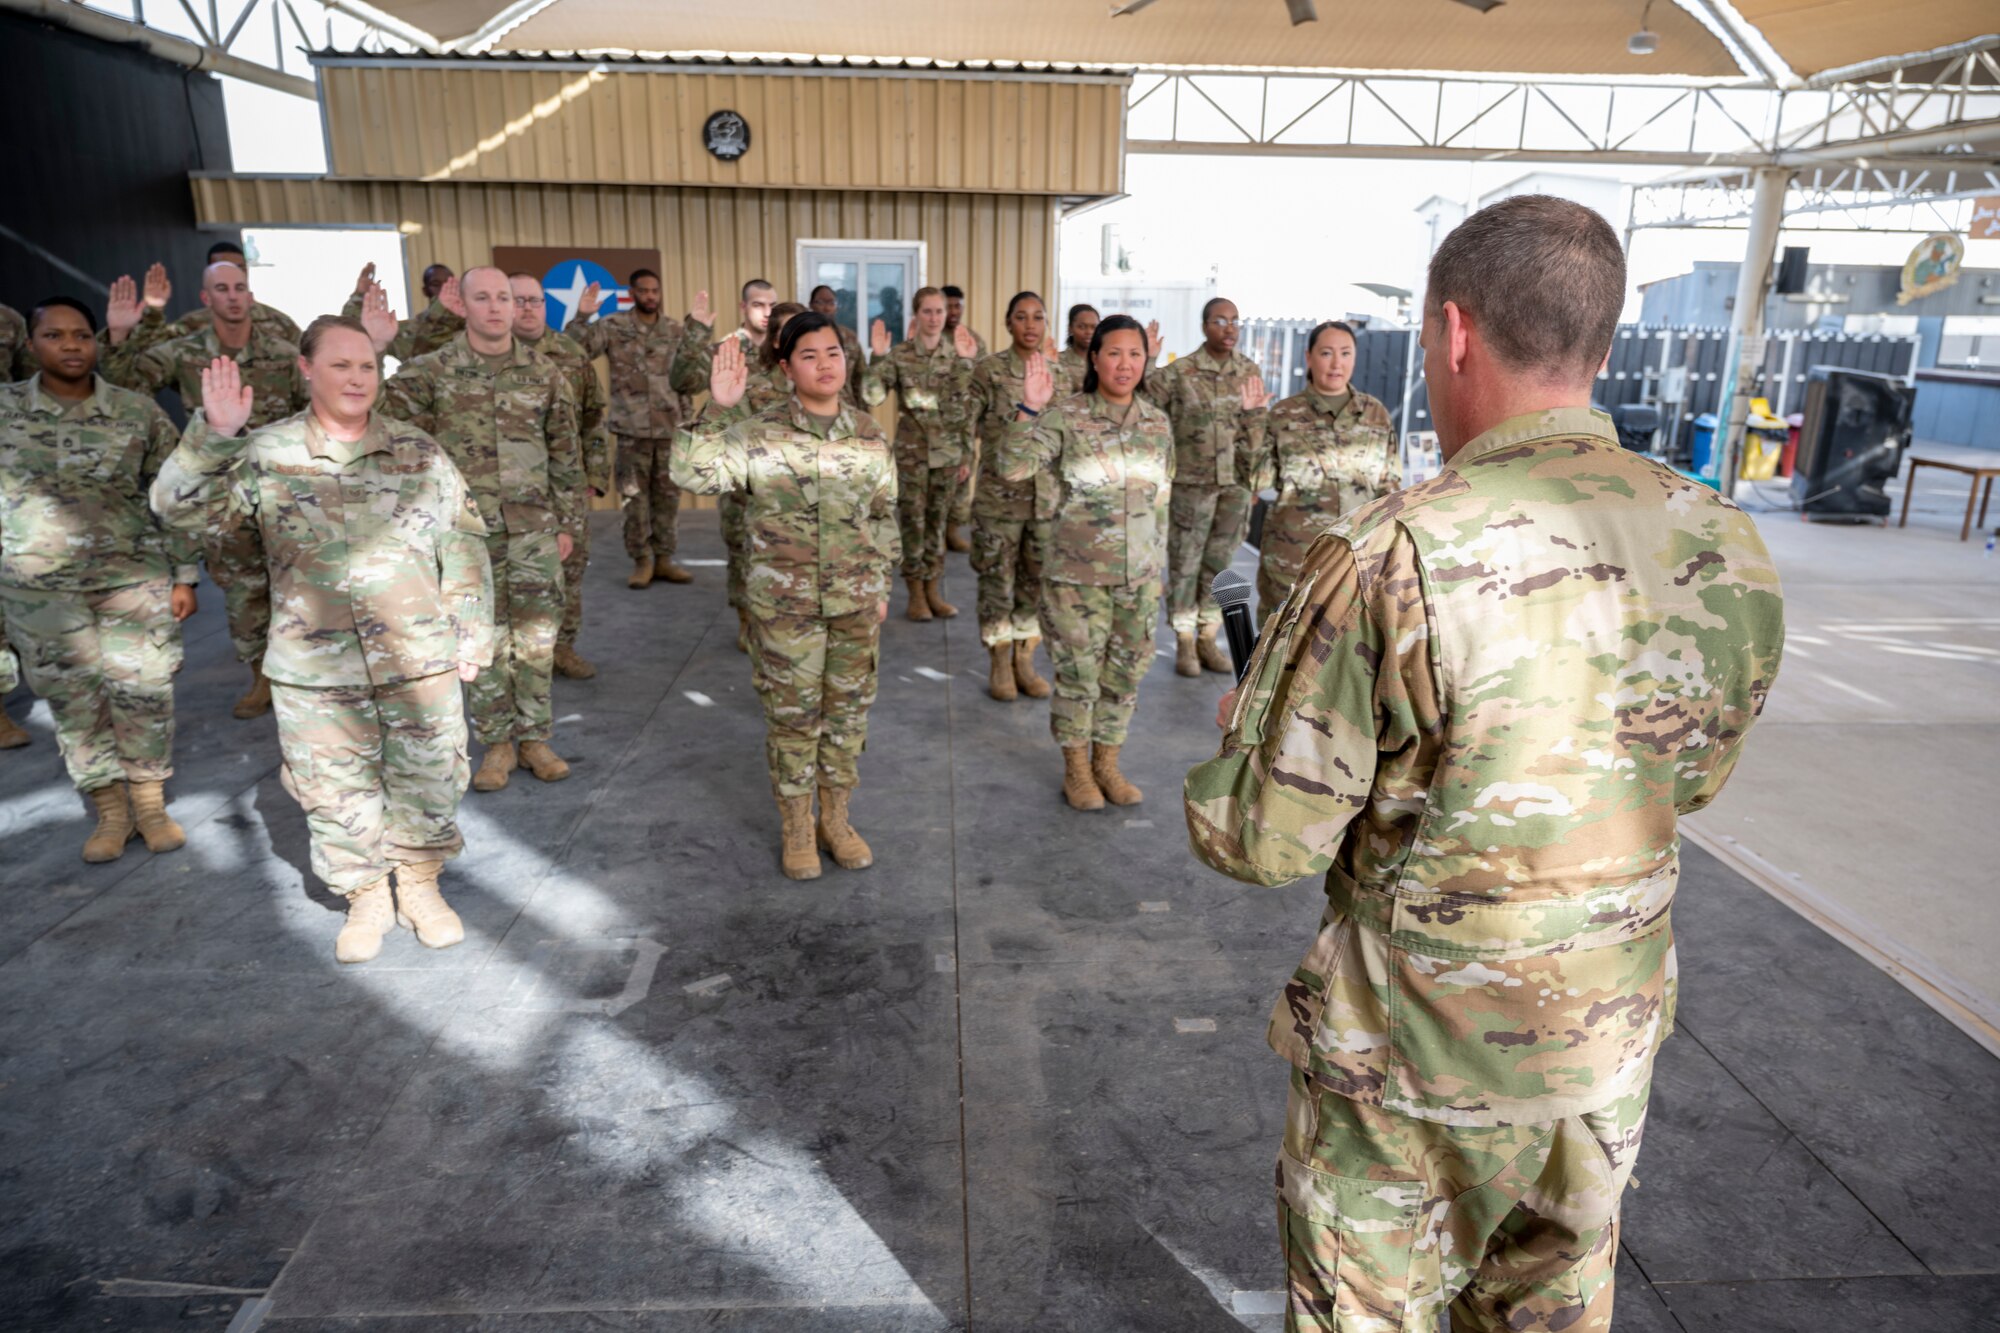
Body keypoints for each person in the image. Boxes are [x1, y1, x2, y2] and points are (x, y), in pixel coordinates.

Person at [1184, 195, 1786, 1332]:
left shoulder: (1394, 548)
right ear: (1598, 345)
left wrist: (1246, 734)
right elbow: (1687, 777)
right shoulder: (1720, 538)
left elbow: (1260, 838)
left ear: (1452, 334)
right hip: (1601, 1045)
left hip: (1410, 1066)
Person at [152, 316, 495, 964]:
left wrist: (471, 626)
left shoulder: (418, 451)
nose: (357, 377)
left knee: (430, 774)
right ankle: (365, 894)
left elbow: (464, 539)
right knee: (333, 786)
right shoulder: (266, 453)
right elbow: (177, 508)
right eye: (340, 365)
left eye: (366, 365)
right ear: (306, 370)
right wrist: (213, 436)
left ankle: (420, 885)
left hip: (416, 654)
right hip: (315, 664)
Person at [672, 315, 898, 881]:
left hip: (855, 601)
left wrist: (882, 585)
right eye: (809, 355)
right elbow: (692, 474)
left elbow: (884, 514)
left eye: (833, 353)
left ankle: (837, 820)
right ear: (785, 367)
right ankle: (797, 825)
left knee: (847, 717)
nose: (825, 364)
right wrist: (716, 407)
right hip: (785, 607)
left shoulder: (869, 432)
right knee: (794, 718)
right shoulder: (758, 431)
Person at [367, 267, 582, 794]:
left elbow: (565, 452)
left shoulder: (545, 372)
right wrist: (374, 348)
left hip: (534, 528)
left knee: (535, 639)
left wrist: (568, 522)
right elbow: (374, 418)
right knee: (478, 640)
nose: (495, 307)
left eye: (503, 297)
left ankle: (534, 738)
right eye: (481, 297)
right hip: (463, 534)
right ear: (461, 305)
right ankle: (497, 744)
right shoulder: (431, 371)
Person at [0, 296, 197, 860]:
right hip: (41, 592)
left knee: (145, 692)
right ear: (31, 344)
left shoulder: (136, 412)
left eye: (81, 335)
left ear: (96, 342)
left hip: (132, 582)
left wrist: (185, 574)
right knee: (73, 702)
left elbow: (174, 495)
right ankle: (110, 812)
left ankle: (151, 804)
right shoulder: (5, 410)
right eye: (55, 335)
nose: (70, 346)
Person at [101, 262, 308, 720]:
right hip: (222, 493)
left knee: (298, 586)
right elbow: (125, 387)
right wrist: (117, 338)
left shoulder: (282, 351)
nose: (233, 297)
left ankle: (304, 676)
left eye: (240, 288)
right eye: (222, 289)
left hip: (283, 491)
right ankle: (261, 678)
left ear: (250, 295)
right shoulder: (185, 351)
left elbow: (313, 411)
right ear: (205, 299)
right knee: (243, 591)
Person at [998, 314, 1170, 811]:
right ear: (1094, 358)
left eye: (1135, 354)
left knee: (1126, 676)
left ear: (1145, 360)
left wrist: (1154, 568)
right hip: (1077, 579)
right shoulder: (1067, 415)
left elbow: (1160, 497)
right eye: (1113, 352)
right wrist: (1029, 409)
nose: (1125, 363)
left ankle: (1107, 764)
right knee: (1078, 676)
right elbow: (1012, 467)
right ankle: (1076, 770)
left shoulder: (1157, 423)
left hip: (1136, 579)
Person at [1142, 297, 1270, 677]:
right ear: (1204, 326)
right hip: (1192, 486)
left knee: (1220, 562)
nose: (1229, 328)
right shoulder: (1181, 372)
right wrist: (1148, 359)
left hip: (1234, 486)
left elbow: (1256, 426)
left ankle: (1207, 636)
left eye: (1235, 321)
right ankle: (1183, 640)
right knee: (1184, 562)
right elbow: (1145, 399)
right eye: (1220, 320)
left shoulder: (1249, 371)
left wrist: (1254, 478)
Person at [1241, 320, 1398, 617]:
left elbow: (1389, 488)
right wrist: (1251, 422)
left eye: (1346, 353)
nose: (1337, 363)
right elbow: (1256, 480)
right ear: (1309, 357)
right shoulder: (1284, 414)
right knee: (1281, 651)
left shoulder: (1376, 414)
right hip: (1292, 564)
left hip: (1358, 562)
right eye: (1326, 353)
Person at [568, 269, 711, 588]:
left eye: (654, 291)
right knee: (634, 502)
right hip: (631, 431)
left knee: (668, 501)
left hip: (669, 430)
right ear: (632, 293)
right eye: (643, 291)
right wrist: (582, 317)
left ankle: (664, 559)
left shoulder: (675, 329)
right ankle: (642, 561)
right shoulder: (614, 327)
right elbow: (575, 351)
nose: (650, 296)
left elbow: (695, 369)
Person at [510, 272, 611, 680]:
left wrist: (594, 475)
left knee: (570, 569)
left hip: (565, 485)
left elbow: (593, 419)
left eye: (535, 300)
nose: (528, 308)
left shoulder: (569, 353)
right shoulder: (490, 358)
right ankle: (518, 654)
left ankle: (563, 648)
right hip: (510, 489)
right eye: (518, 301)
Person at [695, 300, 808, 652]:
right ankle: (748, 619)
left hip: (804, 506)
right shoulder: (751, 384)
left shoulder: (821, 385)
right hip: (750, 502)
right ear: (775, 340)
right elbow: (707, 441)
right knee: (746, 561)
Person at [863, 287, 979, 621]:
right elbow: (871, 395)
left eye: (939, 312)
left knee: (937, 525)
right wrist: (878, 356)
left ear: (946, 315)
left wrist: (966, 457)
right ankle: (915, 594)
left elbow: (968, 411)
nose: (933, 318)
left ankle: (933, 591)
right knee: (913, 525)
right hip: (912, 457)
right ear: (916, 315)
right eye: (927, 312)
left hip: (948, 456)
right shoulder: (900, 355)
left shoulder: (957, 356)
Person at [963, 291, 1057, 702]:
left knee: (1034, 583)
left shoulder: (1061, 374)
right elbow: (963, 423)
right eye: (1022, 316)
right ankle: (999, 660)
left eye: (1038, 317)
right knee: (996, 582)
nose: (1031, 324)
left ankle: (1024, 657)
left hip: (1045, 500)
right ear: (1008, 323)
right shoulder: (988, 371)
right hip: (999, 501)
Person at [119, 244, 304, 353]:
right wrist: (153, 312)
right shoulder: (192, 324)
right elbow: (150, 356)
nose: (231, 272)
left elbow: (308, 365)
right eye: (222, 266)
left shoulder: (280, 323)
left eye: (238, 267)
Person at [941, 284, 987, 553]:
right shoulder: (933, 339)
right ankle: (935, 534)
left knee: (962, 474)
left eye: (958, 306)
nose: (953, 312)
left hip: (965, 421)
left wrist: (979, 422)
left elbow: (982, 382)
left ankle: (952, 531)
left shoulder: (974, 340)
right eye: (948, 306)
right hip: (937, 420)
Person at [342, 261, 464, 363]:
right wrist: (359, 296)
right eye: (436, 284)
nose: (444, 289)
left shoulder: (473, 325)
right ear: (425, 291)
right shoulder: (410, 331)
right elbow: (355, 331)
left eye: (449, 284)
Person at [809, 284, 867, 405]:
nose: (826, 308)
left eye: (831, 303)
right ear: (811, 305)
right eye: (820, 302)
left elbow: (860, 378)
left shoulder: (849, 337)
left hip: (847, 408)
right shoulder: (802, 337)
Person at [1058, 304, 1097, 391]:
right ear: (1070, 328)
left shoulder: (1102, 363)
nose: (1089, 332)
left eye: (1093, 327)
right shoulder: (1057, 362)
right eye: (1082, 327)